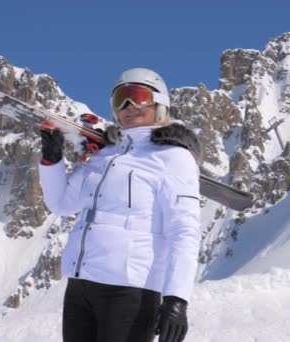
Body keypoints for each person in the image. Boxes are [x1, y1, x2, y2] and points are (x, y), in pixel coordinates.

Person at [38, 68, 201, 342]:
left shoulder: (173, 157)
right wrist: (52, 159)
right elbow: (61, 204)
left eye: (138, 97)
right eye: (120, 99)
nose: (129, 107)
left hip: (129, 291)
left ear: (159, 103)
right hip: (81, 286)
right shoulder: (105, 155)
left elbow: (184, 231)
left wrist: (177, 299)